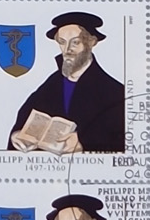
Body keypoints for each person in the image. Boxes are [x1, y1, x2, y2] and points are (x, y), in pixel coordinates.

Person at [9, 12, 125, 152]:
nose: (67, 50)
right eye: (62, 42)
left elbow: (122, 137)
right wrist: (17, 135)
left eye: (75, 42)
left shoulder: (115, 92)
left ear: (91, 42)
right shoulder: (51, 85)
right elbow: (24, 118)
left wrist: (84, 142)